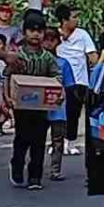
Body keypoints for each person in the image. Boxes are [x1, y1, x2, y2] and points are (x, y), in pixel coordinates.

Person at [4, 11, 62, 190]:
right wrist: (7, 97)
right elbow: (7, 77)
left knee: (38, 141)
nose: (36, 34)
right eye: (31, 30)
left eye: (39, 30)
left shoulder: (48, 58)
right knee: (22, 139)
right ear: (24, 32)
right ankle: (17, 167)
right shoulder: (17, 55)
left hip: (41, 106)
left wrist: (60, 95)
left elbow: (57, 78)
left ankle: (35, 177)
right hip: (21, 106)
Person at [55, 3, 98, 155]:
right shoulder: (54, 35)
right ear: (64, 20)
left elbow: (92, 56)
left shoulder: (82, 34)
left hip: (79, 81)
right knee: (57, 113)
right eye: (74, 17)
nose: (77, 20)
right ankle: (56, 143)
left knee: (73, 112)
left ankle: (70, 142)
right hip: (59, 80)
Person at [43, 27, 76, 181]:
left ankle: (55, 170)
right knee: (36, 140)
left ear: (58, 42)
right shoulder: (37, 62)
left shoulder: (63, 63)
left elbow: (70, 86)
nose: (49, 43)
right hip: (39, 107)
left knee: (58, 140)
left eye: (52, 40)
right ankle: (34, 169)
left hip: (58, 108)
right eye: (46, 39)